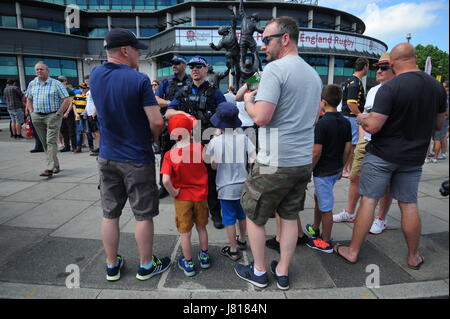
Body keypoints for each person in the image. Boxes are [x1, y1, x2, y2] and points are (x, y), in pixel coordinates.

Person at [334, 43, 447, 270]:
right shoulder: (436, 87)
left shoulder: (390, 87)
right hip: (413, 158)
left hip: (382, 156)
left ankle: (353, 251)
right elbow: (438, 125)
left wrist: (362, 119)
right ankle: (413, 256)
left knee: (368, 200)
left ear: (393, 63)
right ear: (415, 58)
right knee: (409, 204)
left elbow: (374, 126)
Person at [234, 16, 322, 290]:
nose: (262, 46)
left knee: (253, 213)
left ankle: (259, 272)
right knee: (289, 216)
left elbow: (260, 117)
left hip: (274, 161)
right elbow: (313, 118)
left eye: (266, 40)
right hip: (301, 160)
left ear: (285, 39)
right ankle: (282, 272)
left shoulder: (274, 70)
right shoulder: (313, 75)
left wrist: (249, 101)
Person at [90, 28, 170, 281]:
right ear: (125, 50)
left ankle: (111, 265)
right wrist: (153, 137)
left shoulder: (95, 75)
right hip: (136, 156)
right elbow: (156, 121)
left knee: (110, 213)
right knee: (143, 214)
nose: (139, 55)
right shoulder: (139, 79)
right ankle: (146, 265)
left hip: (107, 155)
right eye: (137, 50)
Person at [333, 53, 395, 235]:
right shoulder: (374, 90)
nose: (379, 70)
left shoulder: (399, 90)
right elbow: (363, 115)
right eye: (378, 67)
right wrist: (362, 138)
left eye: (384, 67)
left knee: (385, 184)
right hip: (366, 140)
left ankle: (381, 218)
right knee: (354, 177)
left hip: (386, 145)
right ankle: (349, 211)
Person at [165, 55, 227, 230]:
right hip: (189, 143)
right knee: (188, 180)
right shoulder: (183, 91)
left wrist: (215, 137)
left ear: (206, 69)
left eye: (199, 66)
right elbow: (169, 112)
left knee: (212, 180)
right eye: (191, 66)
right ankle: (190, 212)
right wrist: (186, 116)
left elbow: (224, 117)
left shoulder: (215, 92)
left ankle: (215, 213)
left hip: (208, 141)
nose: (194, 69)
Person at [303, 84, 352, 253]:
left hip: (322, 172)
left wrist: (308, 170)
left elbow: (316, 152)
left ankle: (326, 241)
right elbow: (348, 148)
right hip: (334, 170)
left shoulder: (323, 124)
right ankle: (316, 229)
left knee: (326, 207)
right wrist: (341, 167)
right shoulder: (345, 122)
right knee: (320, 199)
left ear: (323, 102)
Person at [161, 114, 210, 277]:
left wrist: (174, 192)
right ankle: (204, 257)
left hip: (182, 198)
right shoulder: (198, 147)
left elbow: (165, 180)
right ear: (189, 131)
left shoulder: (169, 155)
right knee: (202, 227)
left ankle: (188, 264)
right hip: (201, 196)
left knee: (185, 233)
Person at [206, 102, 256, 261]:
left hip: (225, 187)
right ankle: (242, 240)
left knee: (228, 219)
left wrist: (215, 136)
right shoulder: (243, 138)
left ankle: (233, 250)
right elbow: (253, 158)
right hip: (243, 184)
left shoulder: (216, 141)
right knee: (242, 215)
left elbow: (212, 165)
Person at [155, 55, 191, 199]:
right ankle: (164, 185)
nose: (174, 66)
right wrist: (172, 103)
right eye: (172, 63)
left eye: (177, 63)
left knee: (189, 156)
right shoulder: (166, 82)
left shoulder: (191, 80)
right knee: (166, 155)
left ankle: (187, 183)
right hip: (169, 125)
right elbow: (156, 99)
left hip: (188, 125)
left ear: (184, 65)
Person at [26, 62, 71, 177]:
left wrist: (59, 113)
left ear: (47, 71)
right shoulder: (32, 83)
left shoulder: (56, 84)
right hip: (37, 116)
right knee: (45, 142)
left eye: (41, 69)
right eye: (37, 70)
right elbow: (29, 99)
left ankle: (49, 168)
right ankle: (55, 165)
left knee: (51, 140)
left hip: (52, 115)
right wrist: (31, 112)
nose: (39, 71)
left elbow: (66, 99)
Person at [340, 58, 369, 178]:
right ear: (365, 67)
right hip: (351, 118)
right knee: (352, 145)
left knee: (349, 144)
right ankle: (345, 169)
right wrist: (359, 115)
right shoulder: (355, 83)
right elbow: (351, 103)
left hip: (347, 117)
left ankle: (345, 169)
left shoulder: (350, 80)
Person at [72, 82, 94, 153]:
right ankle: (79, 147)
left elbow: (88, 106)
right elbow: (74, 105)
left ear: (87, 88)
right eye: (81, 88)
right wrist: (76, 114)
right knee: (79, 133)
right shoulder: (77, 95)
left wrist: (85, 113)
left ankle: (91, 147)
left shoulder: (88, 96)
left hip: (85, 116)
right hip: (78, 117)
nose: (82, 89)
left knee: (88, 132)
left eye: (84, 88)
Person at [57, 76, 76, 152]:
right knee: (63, 129)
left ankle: (74, 146)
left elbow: (72, 102)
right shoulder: (58, 90)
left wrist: (67, 112)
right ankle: (67, 146)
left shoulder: (69, 91)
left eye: (62, 81)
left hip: (69, 111)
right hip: (61, 111)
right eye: (59, 81)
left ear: (65, 81)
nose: (60, 82)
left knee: (71, 129)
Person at [85, 80, 100, 156]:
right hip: (89, 114)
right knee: (93, 132)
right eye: (86, 82)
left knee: (97, 132)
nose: (86, 83)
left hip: (93, 114)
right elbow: (88, 103)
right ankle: (97, 147)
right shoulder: (88, 91)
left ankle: (100, 148)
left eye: (88, 82)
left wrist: (94, 113)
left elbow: (97, 102)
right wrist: (85, 112)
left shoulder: (94, 91)